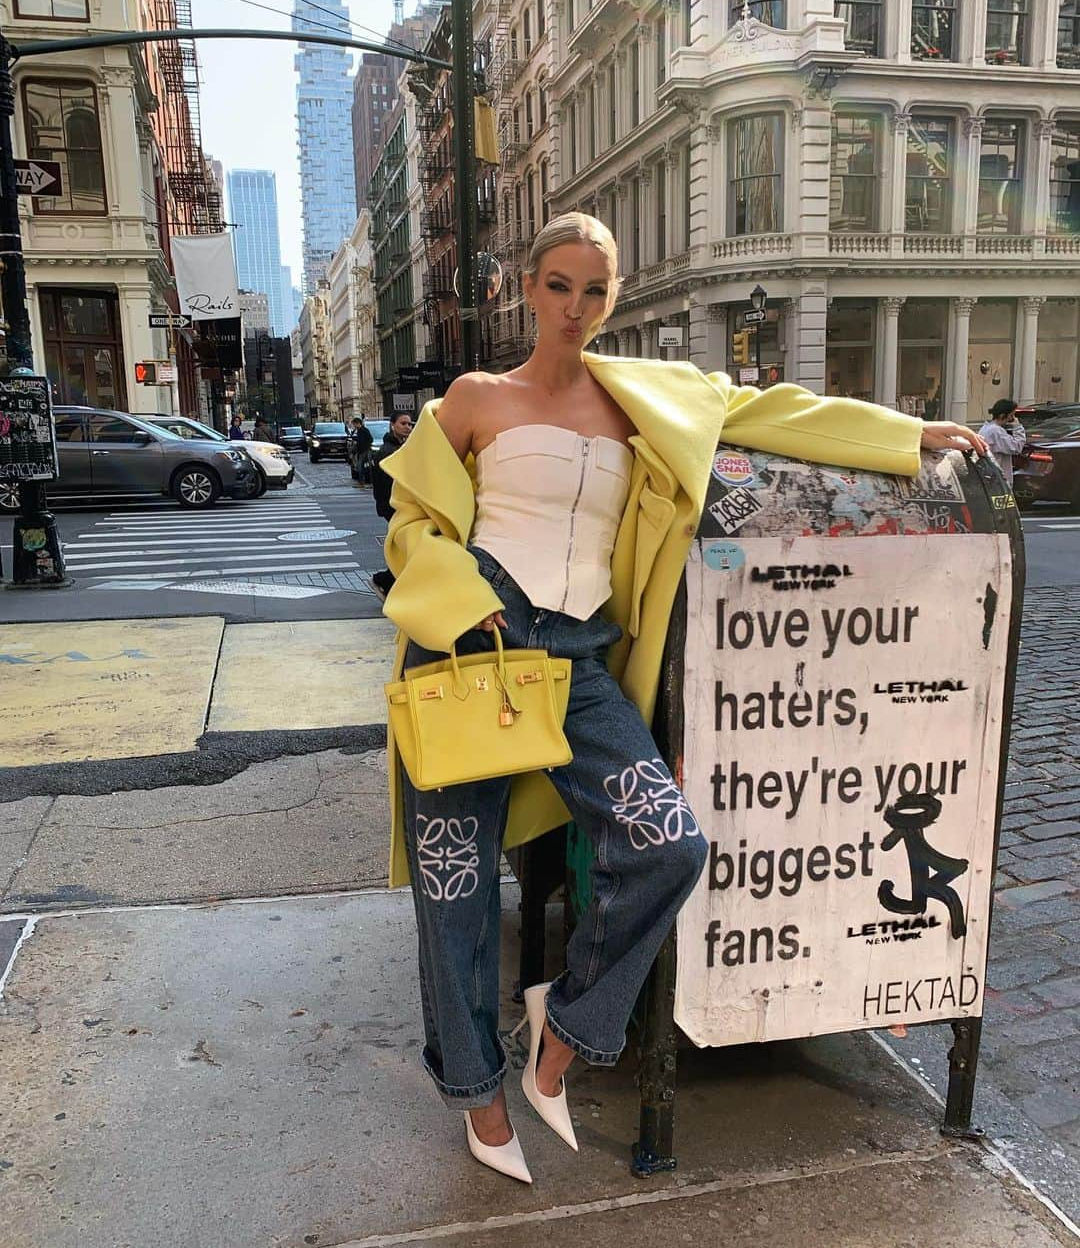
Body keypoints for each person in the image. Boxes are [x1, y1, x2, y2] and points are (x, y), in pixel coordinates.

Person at [378, 213, 987, 1185]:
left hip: (577, 661)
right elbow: (411, 523)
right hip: (468, 655)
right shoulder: (473, 397)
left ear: (610, 302)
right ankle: (476, 1094)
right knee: (455, 891)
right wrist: (458, 603)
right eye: (560, 285)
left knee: (670, 840)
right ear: (528, 289)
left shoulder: (644, 397)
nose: (576, 307)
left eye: (595, 291)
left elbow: (775, 411)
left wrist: (910, 434)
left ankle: (568, 1030)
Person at [370, 410, 413, 599]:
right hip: (395, 507)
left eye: (410, 424)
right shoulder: (388, 451)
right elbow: (386, 486)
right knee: (406, 549)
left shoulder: (401, 448)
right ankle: (383, 580)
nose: (408, 427)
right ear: (392, 425)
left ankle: (388, 582)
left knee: (407, 549)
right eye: (403, 424)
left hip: (398, 507)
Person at [978, 398, 1026, 486]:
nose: (1012, 419)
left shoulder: (986, 428)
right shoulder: (996, 431)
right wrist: (1018, 427)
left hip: (990, 476)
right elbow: (1016, 447)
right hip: (998, 480)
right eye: (1011, 415)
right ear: (1002, 415)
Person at [349, 414, 374, 484]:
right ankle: (363, 481)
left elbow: (366, 440)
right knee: (363, 466)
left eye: (354, 424)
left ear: (357, 423)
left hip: (364, 450)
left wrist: (355, 438)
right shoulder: (361, 430)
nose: (354, 426)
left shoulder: (362, 430)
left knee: (361, 466)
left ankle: (363, 481)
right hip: (363, 450)